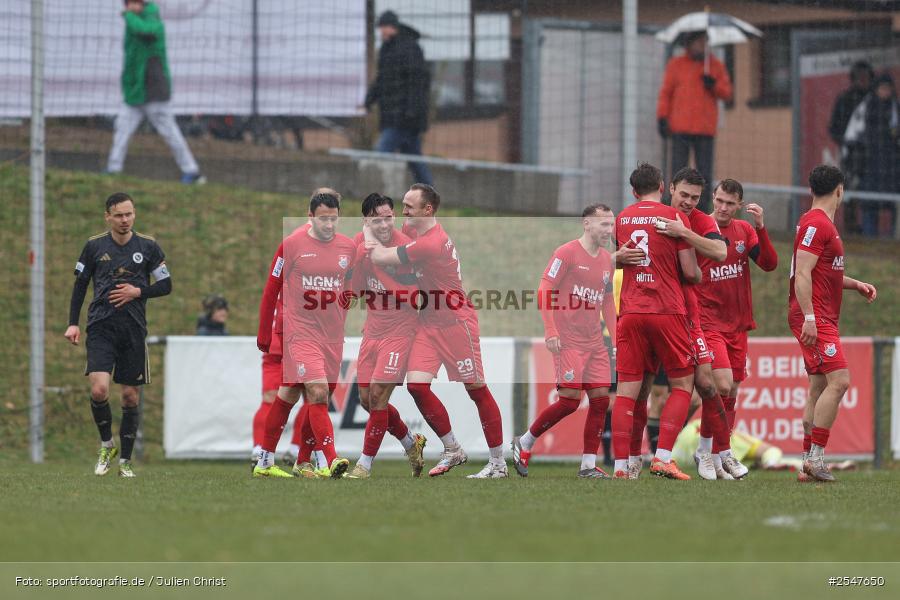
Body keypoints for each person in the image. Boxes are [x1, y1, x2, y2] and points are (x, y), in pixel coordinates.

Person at [367, 184, 506, 478]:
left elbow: (380, 257)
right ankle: (453, 449)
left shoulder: (432, 242)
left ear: (427, 209)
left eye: (409, 206)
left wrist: (367, 230)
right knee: (417, 386)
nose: (403, 212)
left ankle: (498, 463)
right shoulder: (411, 230)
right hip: (428, 323)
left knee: (476, 390)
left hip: (456, 323)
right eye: (403, 205)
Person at [65, 192, 172, 477]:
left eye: (129, 214)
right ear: (108, 217)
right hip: (100, 328)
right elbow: (80, 285)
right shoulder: (94, 246)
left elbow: (166, 285)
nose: (125, 220)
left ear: (134, 214)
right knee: (99, 390)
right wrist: (73, 323)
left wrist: (138, 291)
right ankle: (106, 445)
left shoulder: (148, 246)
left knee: (130, 398)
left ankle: (125, 462)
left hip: (133, 331)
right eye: (119, 215)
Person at [253, 189, 357, 479]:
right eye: (323, 219)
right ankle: (330, 459)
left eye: (334, 219)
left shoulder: (348, 248)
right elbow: (271, 289)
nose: (329, 224)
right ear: (310, 216)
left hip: (331, 337)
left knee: (290, 394)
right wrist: (264, 332)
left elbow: (349, 286)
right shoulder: (291, 245)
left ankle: (269, 461)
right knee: (318, 391)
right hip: (299, 333)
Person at [655, 167, 750, 481]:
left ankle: (710, 451)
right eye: (684, 194)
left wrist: (683, 232)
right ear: (670, 188)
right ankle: (626, 463)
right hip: (656, 314)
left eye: (695, 198)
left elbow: (721, 252)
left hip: (697, 317)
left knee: (716, 386)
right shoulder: (653, 216)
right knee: (642, 390)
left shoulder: (702, 221)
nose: (688, 202)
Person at [511, 204, 618, 479]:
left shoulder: (607, 259)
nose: (609, 230)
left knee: (600, 400)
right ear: (586, 224)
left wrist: (616, 339)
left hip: (595, 342)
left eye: (611, 224)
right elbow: (544, 289)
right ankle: (525, 441)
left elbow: (607, 301)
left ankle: (588, 465)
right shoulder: (566, 253)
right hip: (568, 339)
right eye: (603, 224)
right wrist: (551, 330)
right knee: (570, 400)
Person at [612, 163, 701, 481]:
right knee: (682, 386)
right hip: (666, 310)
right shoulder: (673, 217)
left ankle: (622, 466)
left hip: (630, 312)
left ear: (633, 191)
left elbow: (616, 260)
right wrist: (696, 272)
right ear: (663, 187)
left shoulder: (622, 218)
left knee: (628, 393)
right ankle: (662, 457)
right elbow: (690, 272)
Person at [789, 165, 877, 482]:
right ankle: (816, 458)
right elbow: (801, 273)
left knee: (819, 387)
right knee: (839, 381)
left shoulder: (816, 222)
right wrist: (810, 317)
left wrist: (855, 284)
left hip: (818, 313)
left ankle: (806, 462)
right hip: (815, 316)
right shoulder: (817, 224)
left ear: (812, 189)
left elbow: (822, 272)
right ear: (839, 190)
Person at [694, 178, 778, 477]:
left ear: (739, 205)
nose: (723, 207)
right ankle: (710, 451)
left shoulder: (744, 230)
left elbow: (769, 263)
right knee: (721, 386)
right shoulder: (700, 228)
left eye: (730, 203)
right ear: (712, 198)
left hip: (738, 324)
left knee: (731, 393)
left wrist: (761, 228)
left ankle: (716, 456)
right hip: (708, 322)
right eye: (719, 200)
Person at [347, 193, 427, 478]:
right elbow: (354, 292)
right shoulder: (360, 242)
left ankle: (364, 465)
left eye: (388, 218)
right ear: (365, 221)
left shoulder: (404, 247)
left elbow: (415, 298)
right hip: (372, 331)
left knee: (378, 395)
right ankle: (410, 443)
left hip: (400, 331)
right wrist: (361, 256)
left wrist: (378, 266)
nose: (384, 225)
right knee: (366, 400)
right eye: (377, 220)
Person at [106, 1, 204, 185]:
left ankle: (192, 171)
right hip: (134, 93)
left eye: (133, 2)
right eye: (127, 3)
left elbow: (145, 30)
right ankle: (113, 168)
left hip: (154, 92)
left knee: (170, 133)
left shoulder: (152, 19)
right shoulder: (133, 21)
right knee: (122, 130)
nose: (129, 6)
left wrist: (128, 15)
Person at [657, 32, 733, 213]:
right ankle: (673, 208)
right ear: (689, 44)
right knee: (678, 171)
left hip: (705, 129)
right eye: (699, 42)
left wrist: (713, 85)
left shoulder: (715, 65)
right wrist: (662, 117)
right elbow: (666, 93)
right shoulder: (676, 64)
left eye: (704, 42)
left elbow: (727, 93)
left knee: (704, 173)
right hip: (680, 127)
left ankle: (703, 210)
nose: (702, 46)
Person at [364, 11, 433, 186]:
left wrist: (411, 111)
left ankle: (373, 192)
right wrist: (368, 101)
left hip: (403, 117)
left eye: (383, 27)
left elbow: (417, 83)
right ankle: (430, 192)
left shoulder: (410, 48)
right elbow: (381, 80)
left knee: (381, 153)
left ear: (392, 27)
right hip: (394, 115)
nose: (381, 32)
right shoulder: (386, 49)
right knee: (415, 159)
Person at [843, 73, 899, 236]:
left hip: (892, 169)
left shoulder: (895, 109)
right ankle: (869, 239)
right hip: (869, 168)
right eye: (882, 88)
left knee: (894, 207)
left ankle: (893, 240)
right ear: (876, 89)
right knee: (869, 207)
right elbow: (851, 138)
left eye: (888, 88)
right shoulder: (864, 109)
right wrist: (854, 165)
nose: (885, 92)